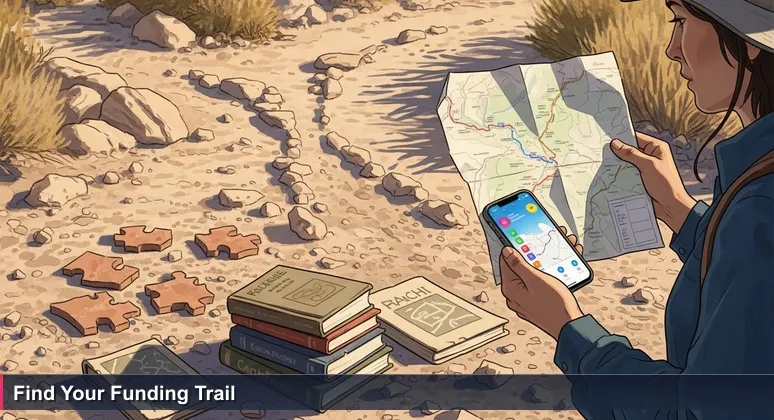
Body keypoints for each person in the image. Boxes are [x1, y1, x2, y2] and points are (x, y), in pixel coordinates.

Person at [498, 0, 774, 418]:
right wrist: (681, 211)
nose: (672, 48)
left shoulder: (760, 207)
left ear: (753, 40)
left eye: (681, 22)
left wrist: (570, 330)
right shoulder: (757, 184)